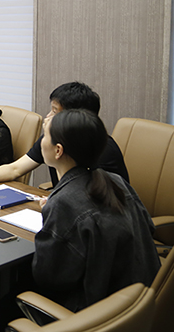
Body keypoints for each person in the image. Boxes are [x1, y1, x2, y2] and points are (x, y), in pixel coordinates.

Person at [32, 109, 160, 312]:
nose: (40, 142)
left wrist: (53, 217)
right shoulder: (116, 181)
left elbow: (49, 277)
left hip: (96, 313)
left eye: (44, 136)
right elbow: (148, 227)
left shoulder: (63, 203)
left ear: (58, 150)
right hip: (140, 302)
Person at [0, 82, 129, 190]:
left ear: (75, 118)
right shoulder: (52, 139)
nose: (48, 117)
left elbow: (102, 202)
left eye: (55, 112)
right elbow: (15, 169)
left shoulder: (101, 150)